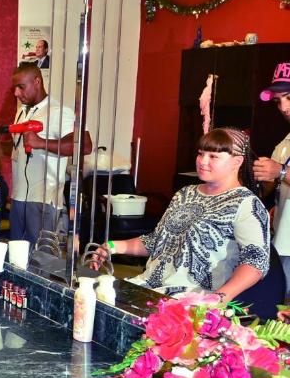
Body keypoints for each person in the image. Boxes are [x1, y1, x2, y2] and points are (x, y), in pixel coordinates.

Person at [98, 128, 268, 300]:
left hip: (191, 299)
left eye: (213, 156)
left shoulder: (245, 203)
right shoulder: (185, 193)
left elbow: (256, 262)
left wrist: (218, 299)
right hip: (148, 288)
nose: (202, 161)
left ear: (237, 161)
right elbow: (157, 241)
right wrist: (111, 246)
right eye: (201, 154)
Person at [8, 63, 89, 244]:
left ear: (37, 82)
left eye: (21, 87)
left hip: (43, 199)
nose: (16, 93)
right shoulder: (21, 112)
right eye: (15, 87)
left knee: (41, 257)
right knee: (16, 255)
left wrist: (41, 143)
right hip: (18, 197)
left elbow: (85, 146)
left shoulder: (59, 112)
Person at [250, 61, 290, 293]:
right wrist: (260, 177)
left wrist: (280, 172)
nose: (284, 107)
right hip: (282, 240)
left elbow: (281, 173)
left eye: (289, 97)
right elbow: (271, 187)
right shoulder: (285, 142)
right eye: (278, 101)